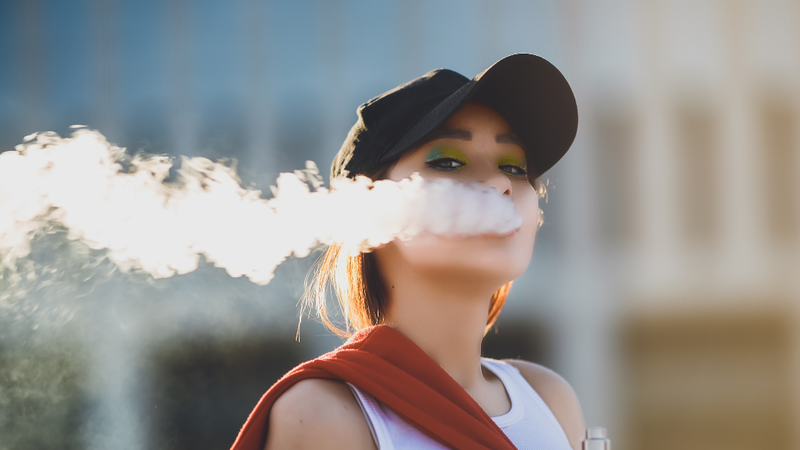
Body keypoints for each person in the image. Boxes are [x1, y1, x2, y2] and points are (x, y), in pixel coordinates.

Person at [231, 53, 584, 450]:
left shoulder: (550, 400)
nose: (500, 184)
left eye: (515, 167)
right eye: (449, 162)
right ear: (369, 210)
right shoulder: (325, 416)